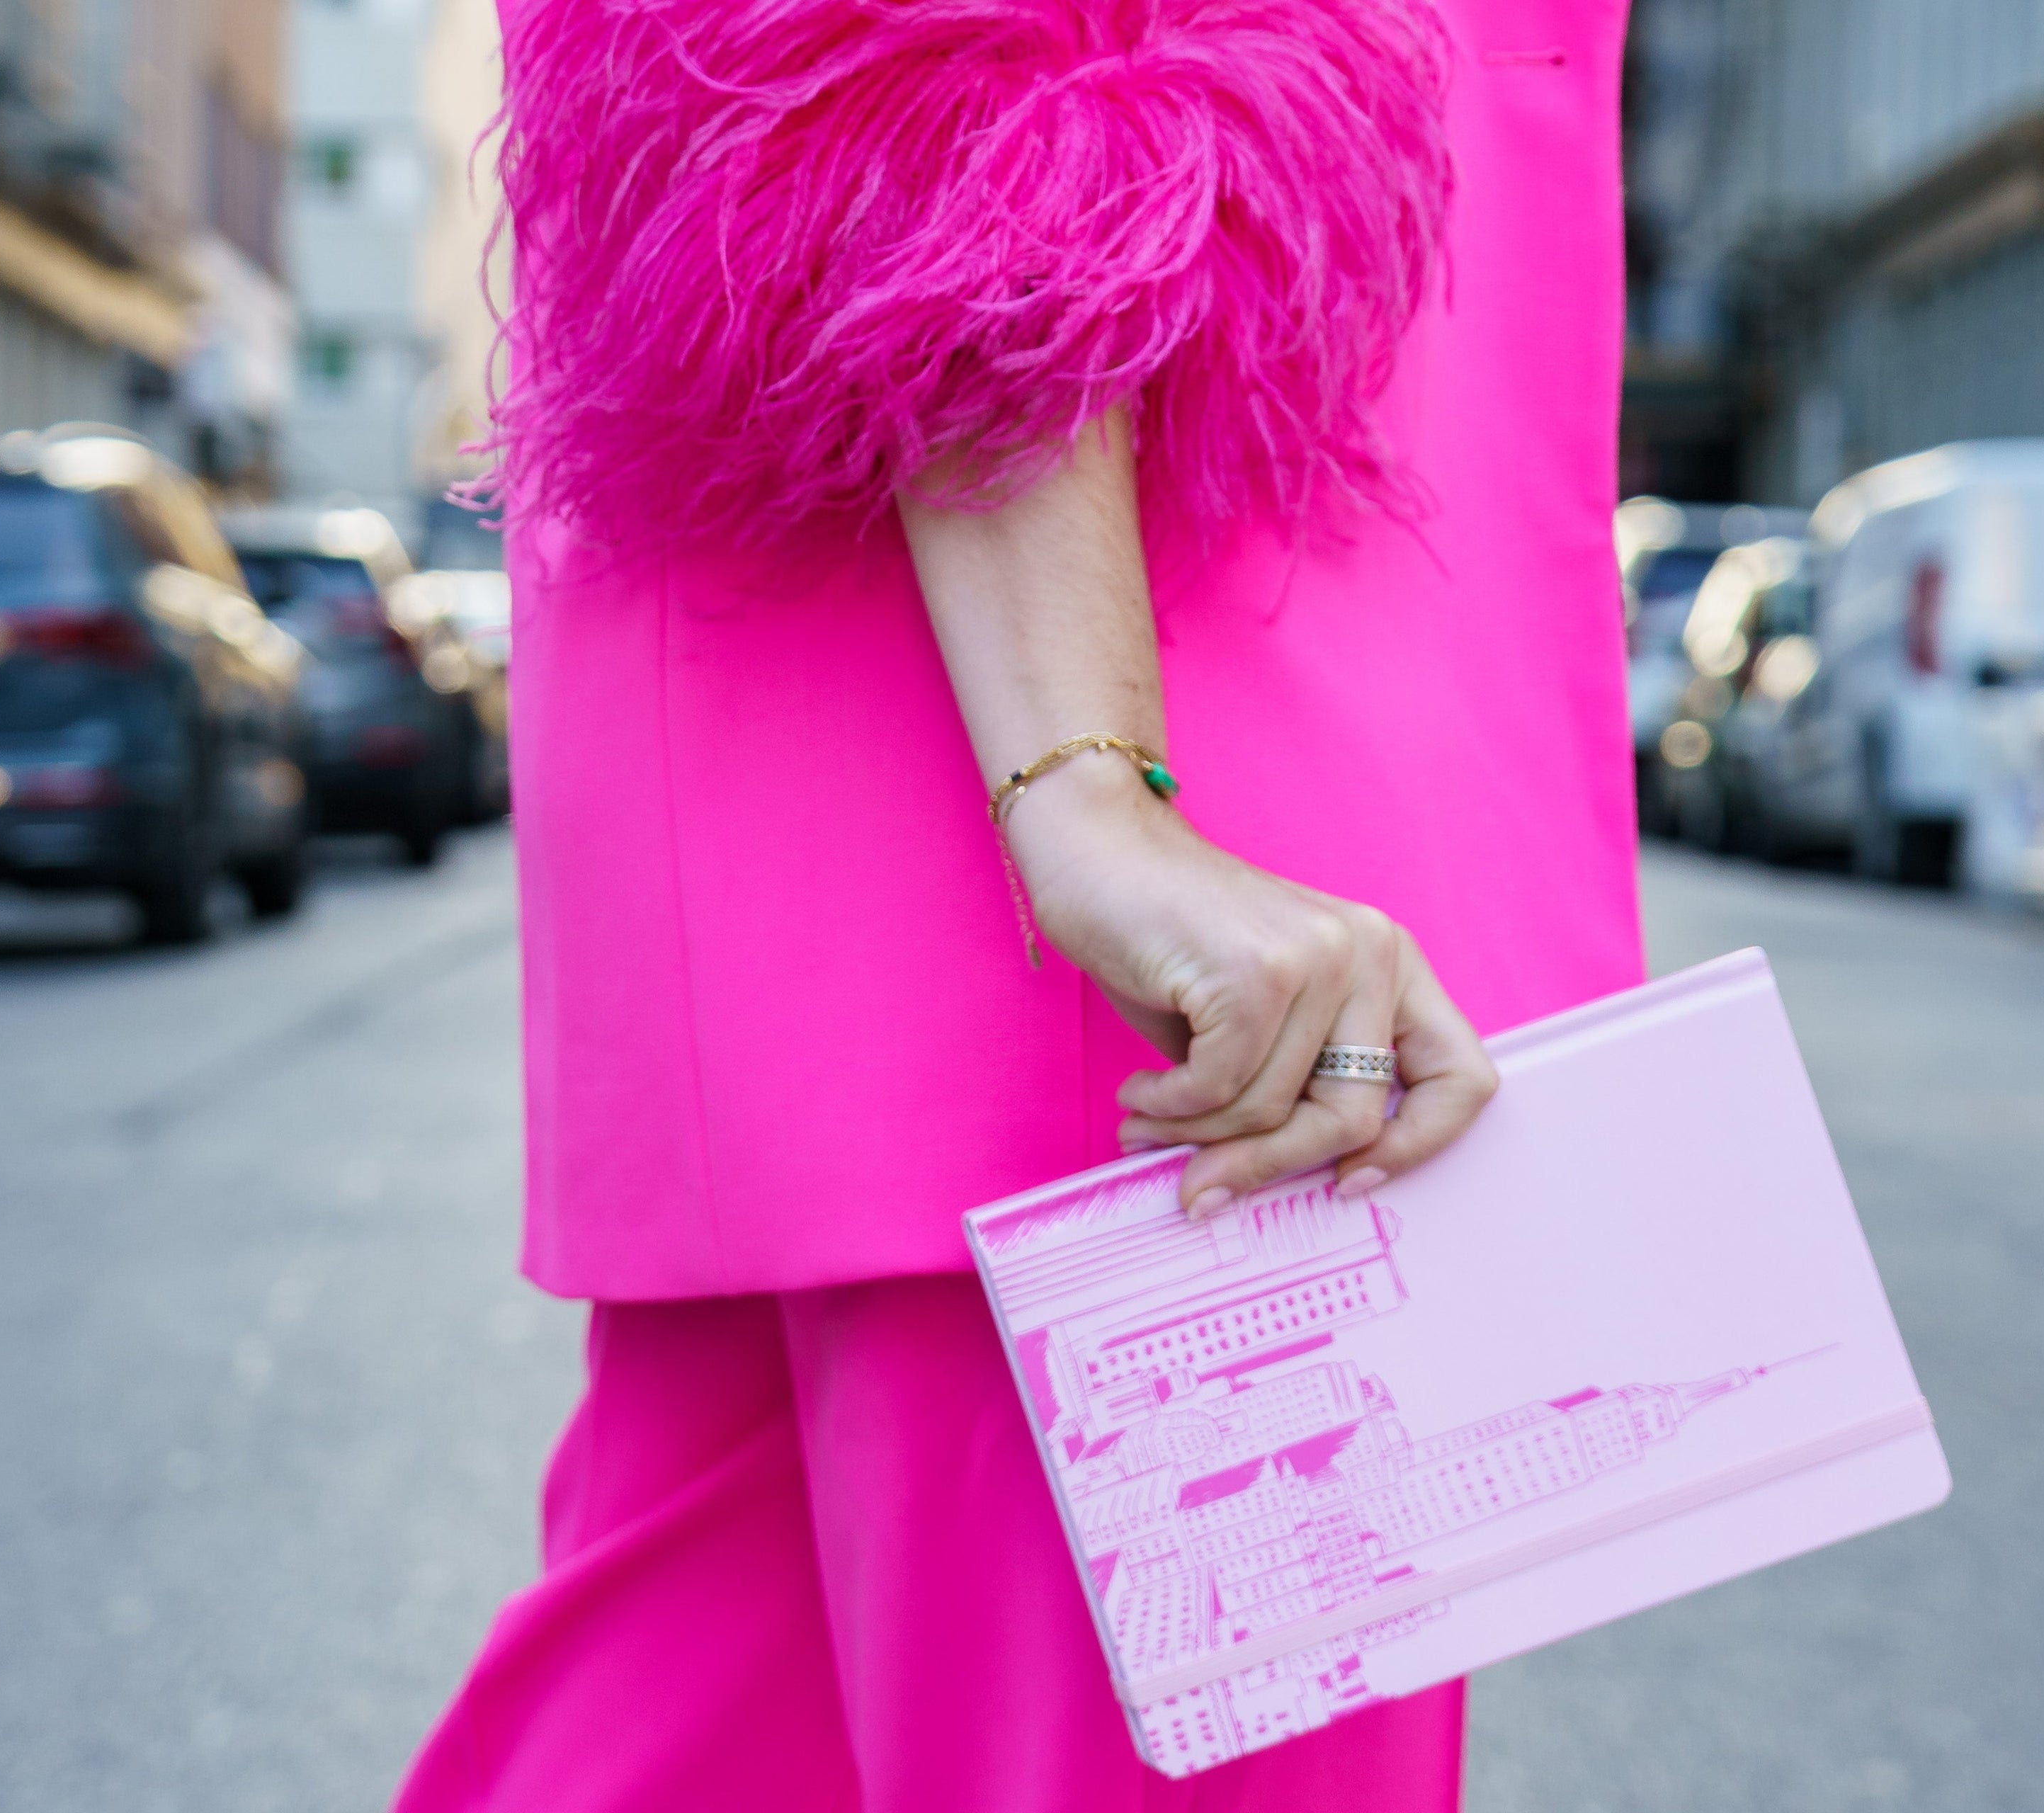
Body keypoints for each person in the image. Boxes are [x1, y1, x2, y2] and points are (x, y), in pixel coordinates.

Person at [392, 0, 1640, 1807]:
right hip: (1155, 956)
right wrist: (1091, 798)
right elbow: (951, 95)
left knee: (702, 1729)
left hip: (898, 884)